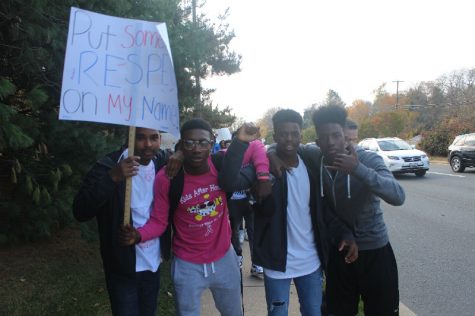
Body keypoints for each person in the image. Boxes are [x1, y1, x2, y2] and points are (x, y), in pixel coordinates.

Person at [120, 118, 265, 316]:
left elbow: (257, 149)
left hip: (224, 259)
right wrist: (138, 235)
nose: (196, 149)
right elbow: (159, 221)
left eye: (203, 143)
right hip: (187, 265)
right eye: (189, 143)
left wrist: (242, 140)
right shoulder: (167, 177)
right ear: (181, 144)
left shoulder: (221, 164)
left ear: (212, 142)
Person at [253, 109, 357, 316]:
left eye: (295, 133)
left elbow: (323, 211)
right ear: (275, 137)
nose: (289, 139)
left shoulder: (310, 169)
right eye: (283, 133)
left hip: (310, 262)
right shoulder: (265, 172)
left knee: (313, 312)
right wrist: (267, 161)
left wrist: (345, 234)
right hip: (277, 263)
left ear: (302, 136)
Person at [72, 127, 178, 316]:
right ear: (129, 138)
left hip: (152, 263)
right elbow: (81, 211)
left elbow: (189, 152)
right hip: (121, 264)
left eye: (154, 138)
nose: (148, 144)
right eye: (140, 138)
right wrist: (112, 178)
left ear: (160, 139)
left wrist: (179, 154)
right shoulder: (108, 165)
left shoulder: (162, 163)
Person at [312, 105, 406, 316]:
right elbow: (280, 146)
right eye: (324, 137)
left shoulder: (368, 159)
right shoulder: (316, 159)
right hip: (340, 252)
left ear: (345, 136)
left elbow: (398, 196)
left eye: (336, 135)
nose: (331, 142)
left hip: (375, 251)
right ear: (318, 141)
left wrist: (357, 169)